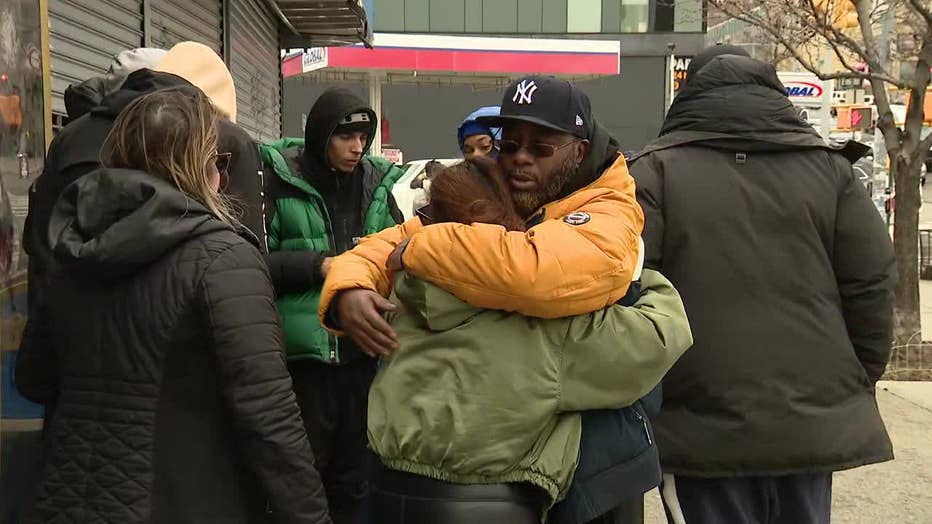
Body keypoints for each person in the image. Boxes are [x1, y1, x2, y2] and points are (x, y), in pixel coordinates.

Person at [319, 76, 659, 523]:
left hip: (592, 476)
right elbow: (382, 245)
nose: (519, 158)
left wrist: (425, 250)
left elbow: (538, 273)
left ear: (578, 151)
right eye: (510, 143)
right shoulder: (509, 192)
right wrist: (351, 286)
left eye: (540, 148)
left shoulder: (608, 208)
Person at [15, 87, 330, 524]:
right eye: (220, 163)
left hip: (69, 501)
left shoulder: (72, 242)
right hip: (189, 501)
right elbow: (270, 419)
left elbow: (33, 378)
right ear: (201, 167)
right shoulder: (223, 258)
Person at [628, 46, 896, 524]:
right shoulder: (831, 170)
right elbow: (872, 283)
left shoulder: (653, 173)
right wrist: (855, 379)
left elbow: (630, 293)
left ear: (689, 92)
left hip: (698, 425)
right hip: (810, 421)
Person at [366, 157, 692, 523]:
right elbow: (663, 333)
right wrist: (629, 270)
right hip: (494, 509)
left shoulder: (399, 297)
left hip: (385, 496)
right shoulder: (542, 327)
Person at [257, 87, 405, 524]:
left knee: (354, 477)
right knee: (301, 477)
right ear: (321, 135)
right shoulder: (277, 180)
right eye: (346, 137)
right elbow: (250, 264)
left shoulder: (377, 185)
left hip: (363, 356)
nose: (357, 147)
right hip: (302, 363)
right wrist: (321, 265)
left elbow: (398, 251)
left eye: (364, 137)